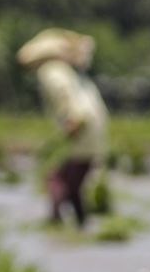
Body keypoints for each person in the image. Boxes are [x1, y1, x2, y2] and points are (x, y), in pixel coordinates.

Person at [17, 28, 109, 227]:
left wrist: (71, 121)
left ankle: (56, 221)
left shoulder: (51, 71)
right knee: (73, 183)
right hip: (93, 132)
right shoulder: (71, 71)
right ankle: (80, 223)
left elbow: (63, 95)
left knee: (56, 179)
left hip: (78, 129)